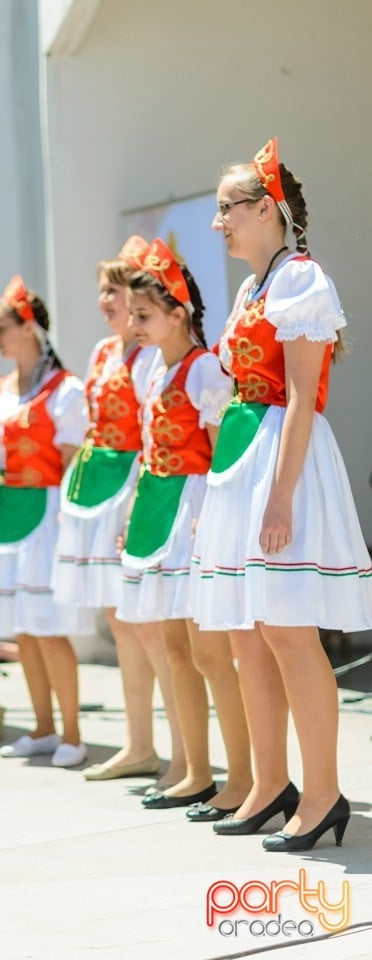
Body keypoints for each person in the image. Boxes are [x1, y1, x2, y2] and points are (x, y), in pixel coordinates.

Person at [191, 137, 372, 850]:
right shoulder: (253, 287)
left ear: (265, 209)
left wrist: (280, 497)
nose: (219, 223)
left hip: (281, 460)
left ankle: (322, 793)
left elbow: (301, 399)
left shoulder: (301, 279)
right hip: (244, 455)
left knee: (292, 634)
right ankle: (270, 784)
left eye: (226, 208)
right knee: (249, 633)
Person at [114, 238, 252, 815]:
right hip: (160, 511)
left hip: (196, 512)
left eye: (143, 315)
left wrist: (217, 525)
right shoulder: (150, 368)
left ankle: (243, 777)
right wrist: (131, 512)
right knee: (174, 648)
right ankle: (195, 769)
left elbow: (223, 457)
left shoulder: (205, 372)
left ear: (178, 315)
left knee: (211, 652)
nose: (132, 324)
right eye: (130, 314)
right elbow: (148, 450)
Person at [53, 236, 185, 783]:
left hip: (136, 484)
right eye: (104, 291)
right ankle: (139, 743)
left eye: (117, 290)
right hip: (101, 487)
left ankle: (185, 751)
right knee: (121, 619)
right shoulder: (103, 353)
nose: (108, 301)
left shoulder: (150, 354)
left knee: (151, 625)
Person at [0, 276, 89, 764]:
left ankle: (72, 733)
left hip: (44, 512)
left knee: (48, 627)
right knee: (24, 629)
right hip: (1, 515)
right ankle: (43, 726)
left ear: (28, 327)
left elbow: (74, 465)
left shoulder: (66, 390)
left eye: (0, 327)